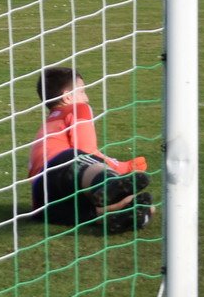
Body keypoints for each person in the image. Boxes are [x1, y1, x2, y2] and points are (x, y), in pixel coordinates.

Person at [28, 66, 153, 233]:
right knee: (86, 164)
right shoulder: (78, 108)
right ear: (67, 96)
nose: (86, 98)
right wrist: (124, 167)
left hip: (42, 202)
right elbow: (86, 151)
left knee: (136, 203)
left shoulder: (49, 123)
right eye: (82, 91)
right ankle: (109, 184)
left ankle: (123, 215)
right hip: (61, 167)